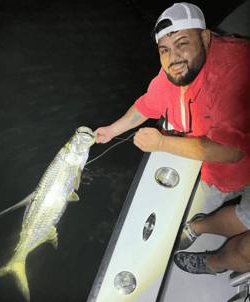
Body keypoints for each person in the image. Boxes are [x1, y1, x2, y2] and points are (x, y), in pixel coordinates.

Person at [94, 2, 250, 275]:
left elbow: (233, 152)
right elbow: (147, 105)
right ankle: (197, 226)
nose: (173, 57)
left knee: (245, 213)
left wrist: (163, 143)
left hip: (237, 157)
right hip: (220, 163)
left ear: (205, 37)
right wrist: (111, 130)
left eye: (181, 43)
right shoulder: (177, 70)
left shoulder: (236, 70)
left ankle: (207, 246)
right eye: (164, 50)